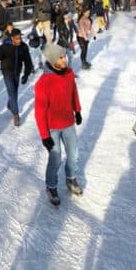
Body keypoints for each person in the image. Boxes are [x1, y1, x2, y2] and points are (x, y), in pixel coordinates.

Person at [34, 44, 84, 206]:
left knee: (74, 155)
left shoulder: (69, 74)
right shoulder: (43, 82)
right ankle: (51, 186)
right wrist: (44, 136)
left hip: (68, 122)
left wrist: (77, 110)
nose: (65, 59)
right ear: (53, 60)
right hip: (52, 128)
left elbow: (73, 92)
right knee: (55, 159)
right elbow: (40, 112)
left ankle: (70, 179)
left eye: (64, 56)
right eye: (61, 57)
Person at [0, 28, 34, 127]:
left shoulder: (23, 47)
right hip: (7, 72)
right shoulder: (4, 47)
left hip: (17, 72)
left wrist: (26, 74)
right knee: (12, 92)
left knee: (14, 93)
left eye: (20, 38)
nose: (19, 40)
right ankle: (16, 115)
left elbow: (28, 61)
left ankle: (10, 104)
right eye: (17, 38)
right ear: (12, 38)